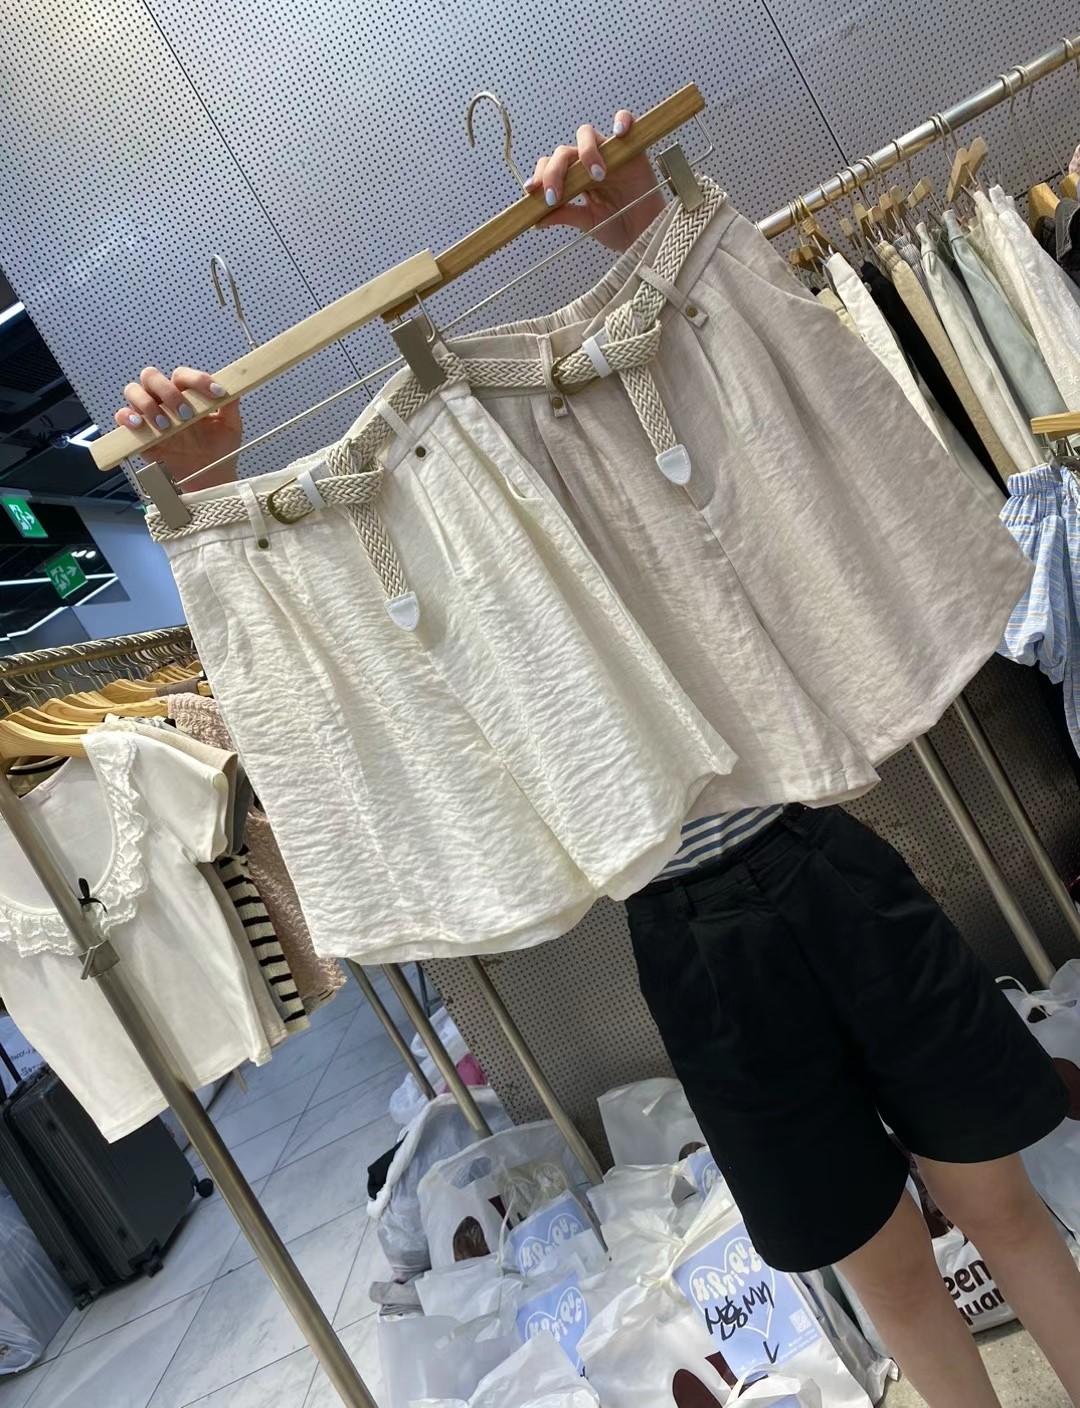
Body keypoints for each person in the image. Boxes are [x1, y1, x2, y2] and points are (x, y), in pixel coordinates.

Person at [117, 113, 1080, 1407]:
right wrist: (210, 484)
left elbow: (719, 387)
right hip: (687, 933)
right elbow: (318, 632)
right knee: (887, 1270)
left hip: (817, 855)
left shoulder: (583, 415)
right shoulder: (428, 511)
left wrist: (640, 227)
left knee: (998, 1202)